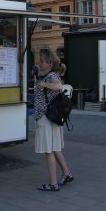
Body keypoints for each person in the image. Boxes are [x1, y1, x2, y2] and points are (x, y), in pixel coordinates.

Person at [33, 50, 74, 191]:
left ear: (49, 63)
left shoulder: (50, 76)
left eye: (42, 61)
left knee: (49, 150)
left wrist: (44, 85)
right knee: (55, 148)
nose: (39, 63)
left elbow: (59, 86)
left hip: (46, 117)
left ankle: (53, 183)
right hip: (53, 117)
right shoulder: (49, 75)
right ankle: (67, 173)